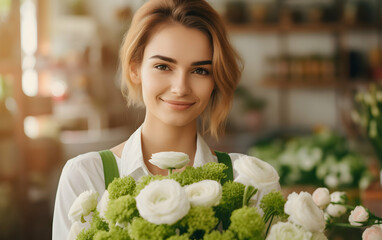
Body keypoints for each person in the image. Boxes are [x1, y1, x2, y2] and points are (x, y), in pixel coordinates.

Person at [52, 0, 279, 238]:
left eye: (200, 70)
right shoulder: (86, 177)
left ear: (215, 80)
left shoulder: (250, 182)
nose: (180, 88)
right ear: (134, 68)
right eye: (163, 66)